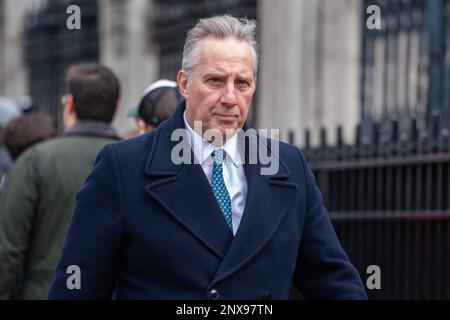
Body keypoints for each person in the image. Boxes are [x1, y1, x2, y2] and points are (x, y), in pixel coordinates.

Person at [48, 16, 367, 299]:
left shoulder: (288, 166)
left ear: (253, 86)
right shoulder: (123, 167)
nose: (230, 98)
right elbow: (78, 287)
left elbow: (333, 280)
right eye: (215, 80)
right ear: (184, 84)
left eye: (241, 83)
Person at [0, 62, 121, 299]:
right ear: (116, 107)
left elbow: (8, 251)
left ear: (70, 104)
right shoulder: (141, 161)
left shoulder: (34, 161)